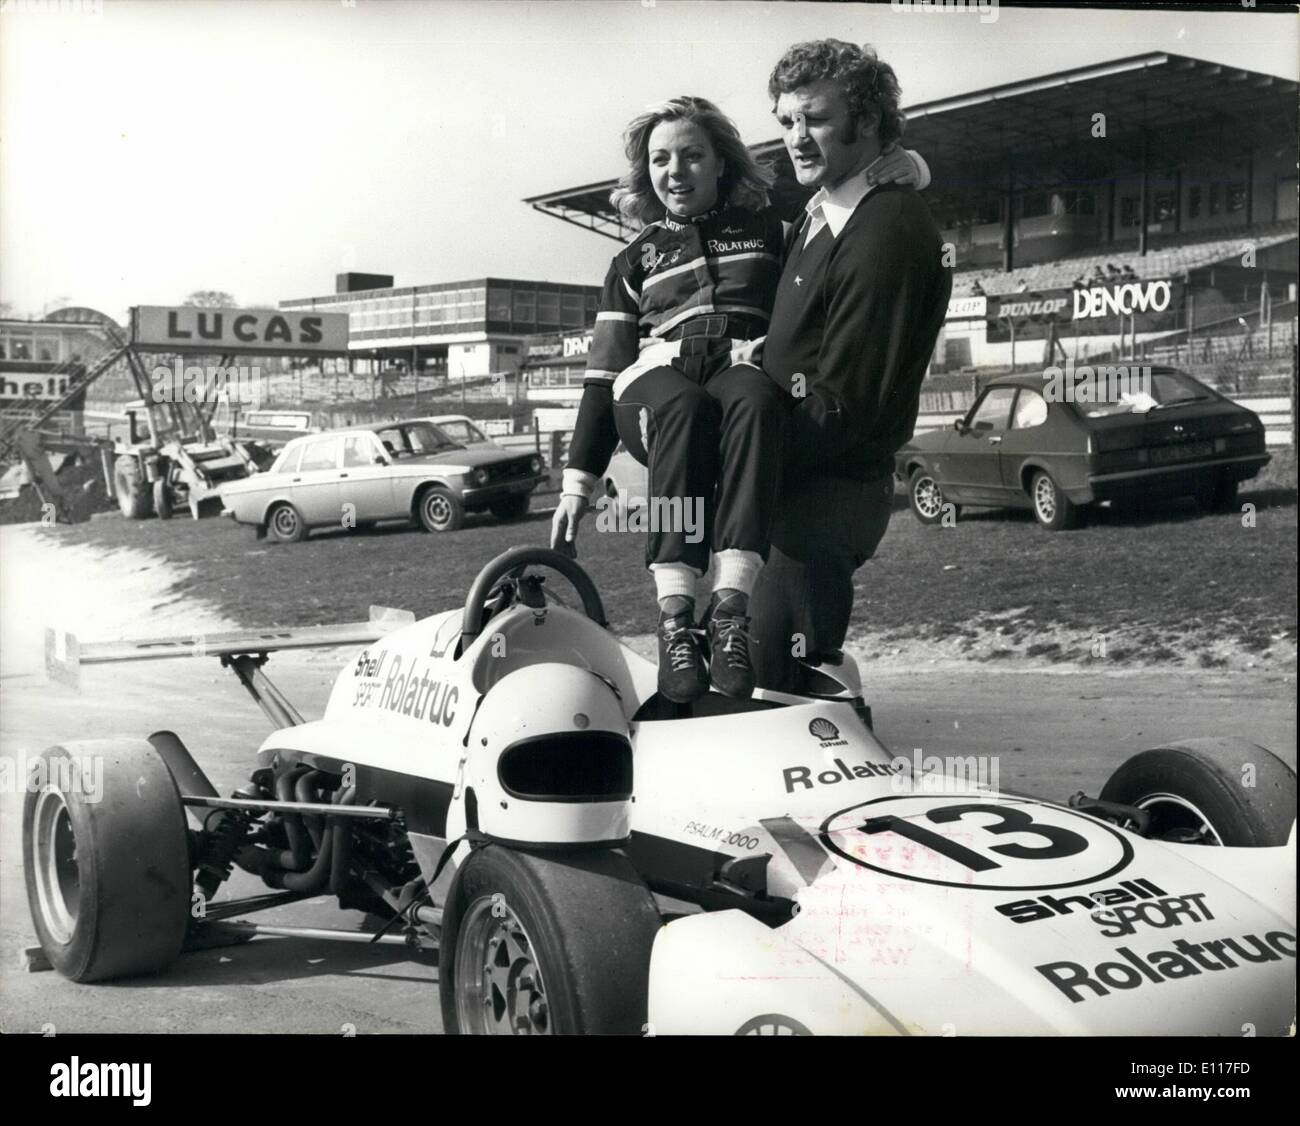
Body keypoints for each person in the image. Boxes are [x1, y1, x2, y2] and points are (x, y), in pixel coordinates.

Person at [551, 96, 929, 704]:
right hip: (653, 381)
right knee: (683, 407)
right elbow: (601, 377)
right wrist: (579, 486)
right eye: (661, 159)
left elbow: (838, 219)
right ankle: (674, 617)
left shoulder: (770, 232)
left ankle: (730, 611)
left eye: (693, 155)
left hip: (732, 367)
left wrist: (911, 166)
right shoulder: (630, 259)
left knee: (755, 401)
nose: (676, 171)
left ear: (721, 162)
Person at [749, 40, 953, 694]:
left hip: (820, 504)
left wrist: (730, 447)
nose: (796, 138)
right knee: (748, 689)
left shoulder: (886, 224)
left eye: (814, 119)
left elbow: (844, 405)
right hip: (785, 493)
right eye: (785, 122)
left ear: (868, 122)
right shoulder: (828, 207)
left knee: (774, 706)